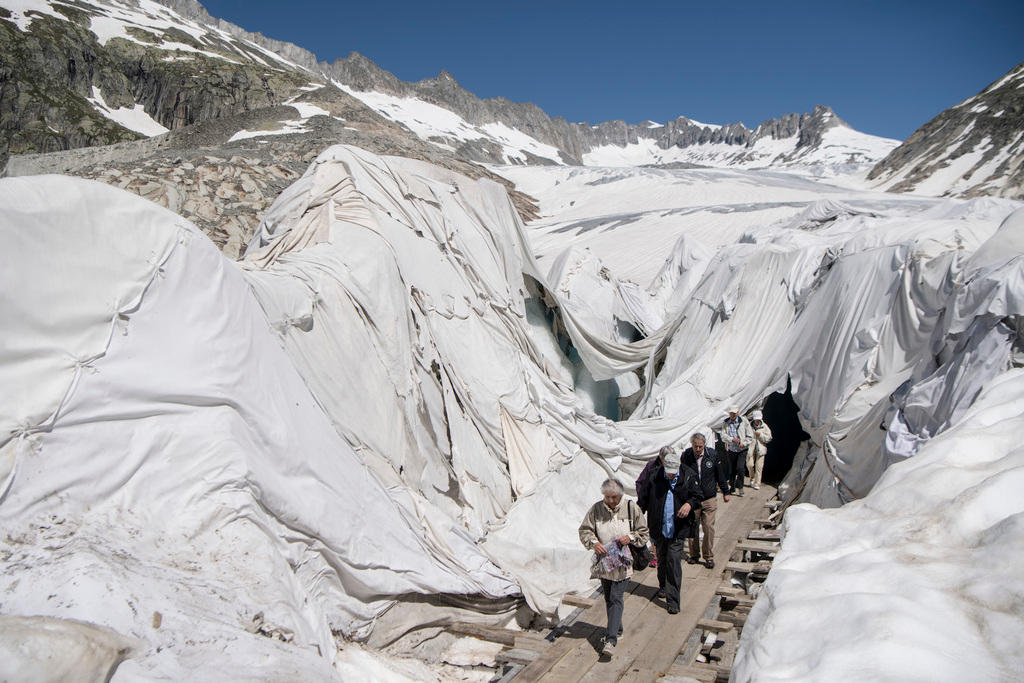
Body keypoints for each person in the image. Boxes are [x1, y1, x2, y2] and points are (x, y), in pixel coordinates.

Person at [579, 478, 649, 658]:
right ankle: (617, 628)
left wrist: (630, 537)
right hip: (605, 564)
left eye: (614, 498)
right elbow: (585, 530)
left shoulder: (631, 508)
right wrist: (594, 543)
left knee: (616, 597)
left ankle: (610, 640)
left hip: (624, 564)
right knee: (609, 598)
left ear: (620, 496)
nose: (610, 501)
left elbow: (644, 533)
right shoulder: (596, 509)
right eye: (607, 497)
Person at [637, 449, 701, 615]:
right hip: (659, 526)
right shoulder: (654, 476)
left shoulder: (689, 475)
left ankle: (673, 601)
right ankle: (663, 586)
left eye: (674, 473)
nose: (671, 476)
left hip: (678, 528)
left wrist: (689, 504)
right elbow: (642, 500)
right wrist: (637, 520)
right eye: (669, 473)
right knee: (662, 559)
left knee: (673, 561)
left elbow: (698, 495)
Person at [681, 432, 730, 568]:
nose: (697, 449)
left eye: (700, 447)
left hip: (709, 498)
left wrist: (726, 491)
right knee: (693, 526)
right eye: (695, 446)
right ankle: (694, 554)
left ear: (704, 445)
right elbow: (682, 476)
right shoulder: (686, 456)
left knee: (708, 527)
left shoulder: (712, 455)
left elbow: (720, 474)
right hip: (693, 498)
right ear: (692, 445)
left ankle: (708, 556)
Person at [718, 405, 753, 495]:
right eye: (731, 413)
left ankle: (740, 486)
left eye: (734, 413)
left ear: (738, 413)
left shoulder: (744, 421)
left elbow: (750, 436)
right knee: (732, 469)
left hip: (742, 449)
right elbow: (723, 436)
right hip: (731, 449)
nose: (732, 415)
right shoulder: (726, 422)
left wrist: (743, 443)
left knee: (740, 468)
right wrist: (732, 439)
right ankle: (732, 487)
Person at [747, 410, 772, 490]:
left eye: (758, 419)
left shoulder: (764, 427)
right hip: (751, 448)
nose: (757, 421)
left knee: (759, 467)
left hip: (760, 449)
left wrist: (760, 435)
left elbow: (769, 438)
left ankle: (757, 483)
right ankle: (752, 478)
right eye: (756, 419)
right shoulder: (749, 426)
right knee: (750, 464)